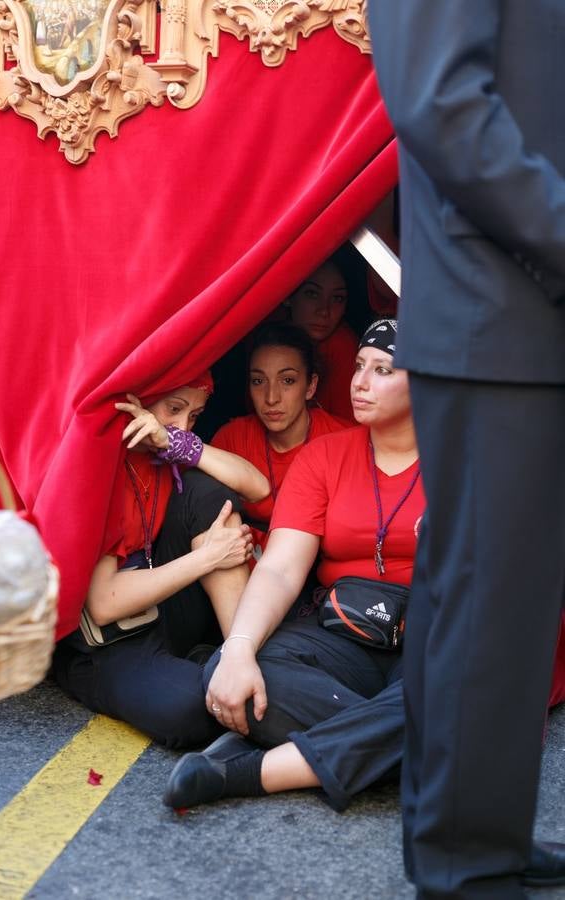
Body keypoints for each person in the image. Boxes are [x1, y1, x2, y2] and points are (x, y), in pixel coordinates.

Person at [367, 3, 565, 896]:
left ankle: (474, 837)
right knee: (490, 601)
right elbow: (439, 101)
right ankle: (466, 866)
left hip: (512, 308)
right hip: (500, 303)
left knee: (489, 601)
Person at [163, 320, 425, 811]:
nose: (360, 383)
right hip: (343, 627)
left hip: (431, 634)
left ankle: (247, 771)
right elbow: (280, 569)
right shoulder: (325, 455)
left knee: (455, 686)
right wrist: (240, 648)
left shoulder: (463, 462)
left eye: (383, 370)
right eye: (359, 366)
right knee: (230, 666)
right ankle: (401, 734)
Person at [53, 372, 270, 748]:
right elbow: (103, 605)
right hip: (110, 638)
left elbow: (258, 486)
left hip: (160, 603)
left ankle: (241, 655)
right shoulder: (101, 460)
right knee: (193, 711)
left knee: (208, 493)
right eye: (174, 409)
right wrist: (207, 558)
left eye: (194, 416)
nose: (183, 425)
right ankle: (77, 672)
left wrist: (177, 443)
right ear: (141, 401)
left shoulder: (166, 450)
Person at [211, 323, 351, 562]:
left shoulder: (343, 441)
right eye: (258, 381)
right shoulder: (232, 439)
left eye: (287, 380)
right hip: (243, 564)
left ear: (311, 386)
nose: (271, 398)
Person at [283, 256, 359, 420]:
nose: (324, 311)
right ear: (288, 295)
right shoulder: (267, 335)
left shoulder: (341, 346)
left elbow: (348, 426)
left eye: (337, 298)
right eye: (312, 294)